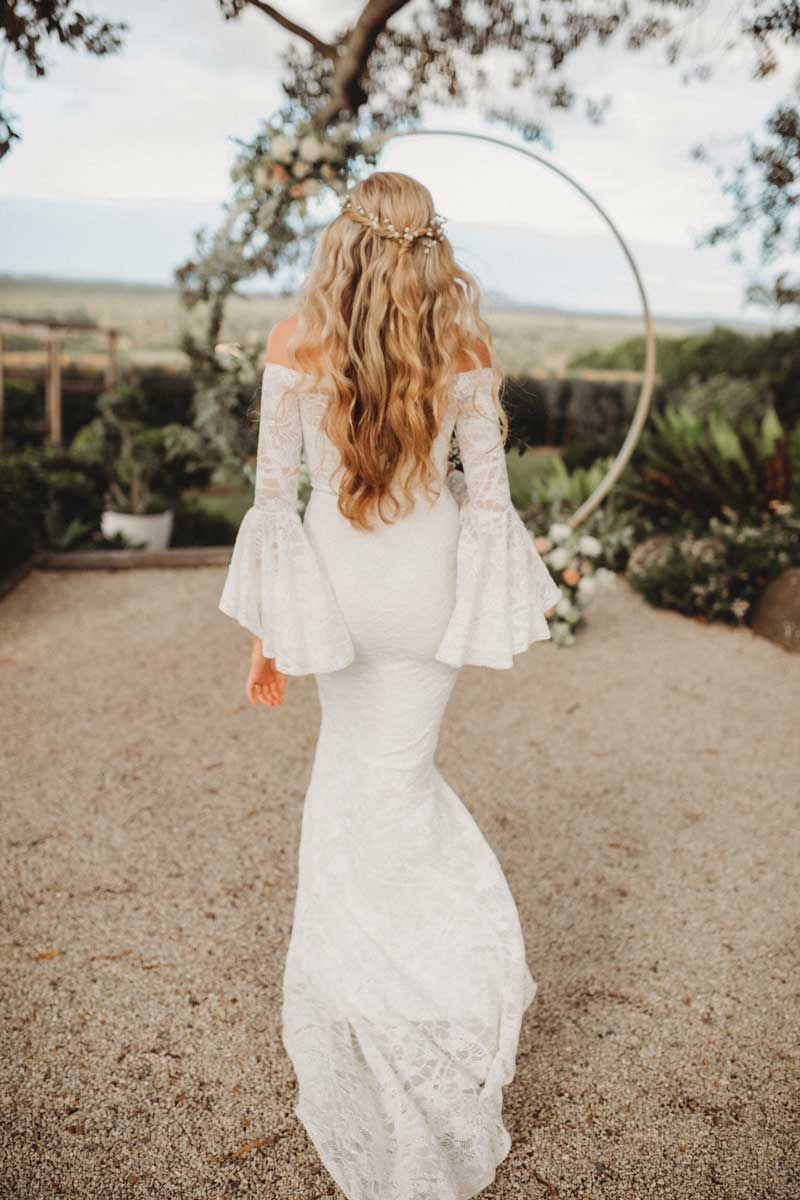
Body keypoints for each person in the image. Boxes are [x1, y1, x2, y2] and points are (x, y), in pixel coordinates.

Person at [218, 170, 562, 1200]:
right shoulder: (464, 349)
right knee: (397, 785)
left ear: (344, 244)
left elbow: (274, 501)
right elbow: (488, 503)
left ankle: (371, 990)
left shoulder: (294, 343)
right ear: (430, 248)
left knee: (351, 783)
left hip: (341, 590)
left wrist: (269, 638)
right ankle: (440, 981)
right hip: (424, 596)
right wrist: (483, 612)